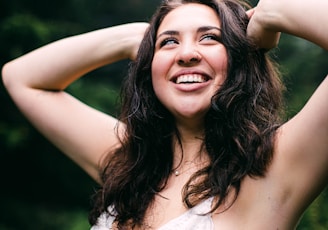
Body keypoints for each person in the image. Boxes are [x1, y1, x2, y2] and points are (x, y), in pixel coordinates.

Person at [2, 0, 328, 229]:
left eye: (209, 38)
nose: (186, 54)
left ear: (240, 57)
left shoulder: (278, 165)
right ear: (149, 67)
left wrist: (273, 13)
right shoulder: (128, 163)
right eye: (169, 42)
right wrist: (132, 38)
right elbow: (22, 78)